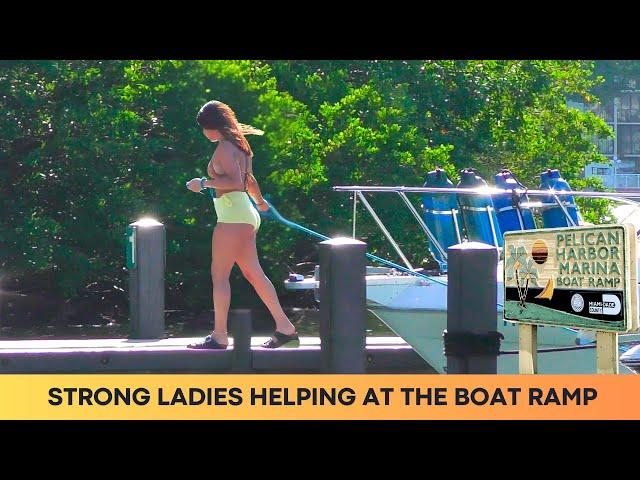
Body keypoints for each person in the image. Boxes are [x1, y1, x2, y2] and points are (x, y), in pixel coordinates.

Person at [185, 100, 298, 350]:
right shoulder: (240, 146)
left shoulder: (225, 148)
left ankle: (219, 336)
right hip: (245, 215)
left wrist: (202, 184)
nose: (204, 133)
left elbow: (235, 182)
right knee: (254, 274)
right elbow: (250, 181)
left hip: (233, 218)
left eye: (204, 128)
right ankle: (286, 328)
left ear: (213, 127)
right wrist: (260, 204)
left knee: (220, 276)